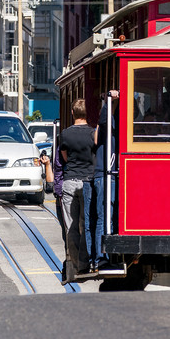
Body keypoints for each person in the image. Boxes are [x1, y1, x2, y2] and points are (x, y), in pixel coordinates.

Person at [59, 99, 96, 282]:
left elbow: (65, 158)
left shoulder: (65, 134)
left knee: (71, 226)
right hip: (87, 182)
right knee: (85, 225)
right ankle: (85, 262)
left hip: (70, 182)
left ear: (72, 113)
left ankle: (75, 264)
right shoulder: (93, 133)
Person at [93, 90, 119, 271]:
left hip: (110, 174)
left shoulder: (114, 121)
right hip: (104, 174)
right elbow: (103, 121)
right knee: (104, 217)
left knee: (108, 216)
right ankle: (101, 257)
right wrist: (107, 100)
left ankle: (107, 255)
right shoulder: (105, 121)